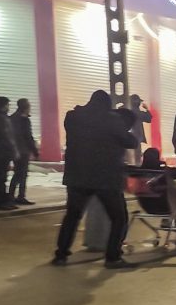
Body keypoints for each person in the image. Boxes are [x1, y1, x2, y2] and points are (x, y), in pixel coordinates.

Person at [52, 91, 135, 267]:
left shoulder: (72, 117)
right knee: (118, 217)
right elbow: (130, 141)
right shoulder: (112, 120)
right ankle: (113, 257)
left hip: (77, 176)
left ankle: (61, 255)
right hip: (105, 177)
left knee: (72, 216)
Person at [9, 98, 40, 205]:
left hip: (14, 150)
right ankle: (20, 196)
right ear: (26, 107)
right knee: (22, 174)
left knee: (17, 173)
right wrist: (35, 151)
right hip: (23, 150)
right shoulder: (24, 120)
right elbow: (28, 137)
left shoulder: (11, 118)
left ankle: (11, 195)